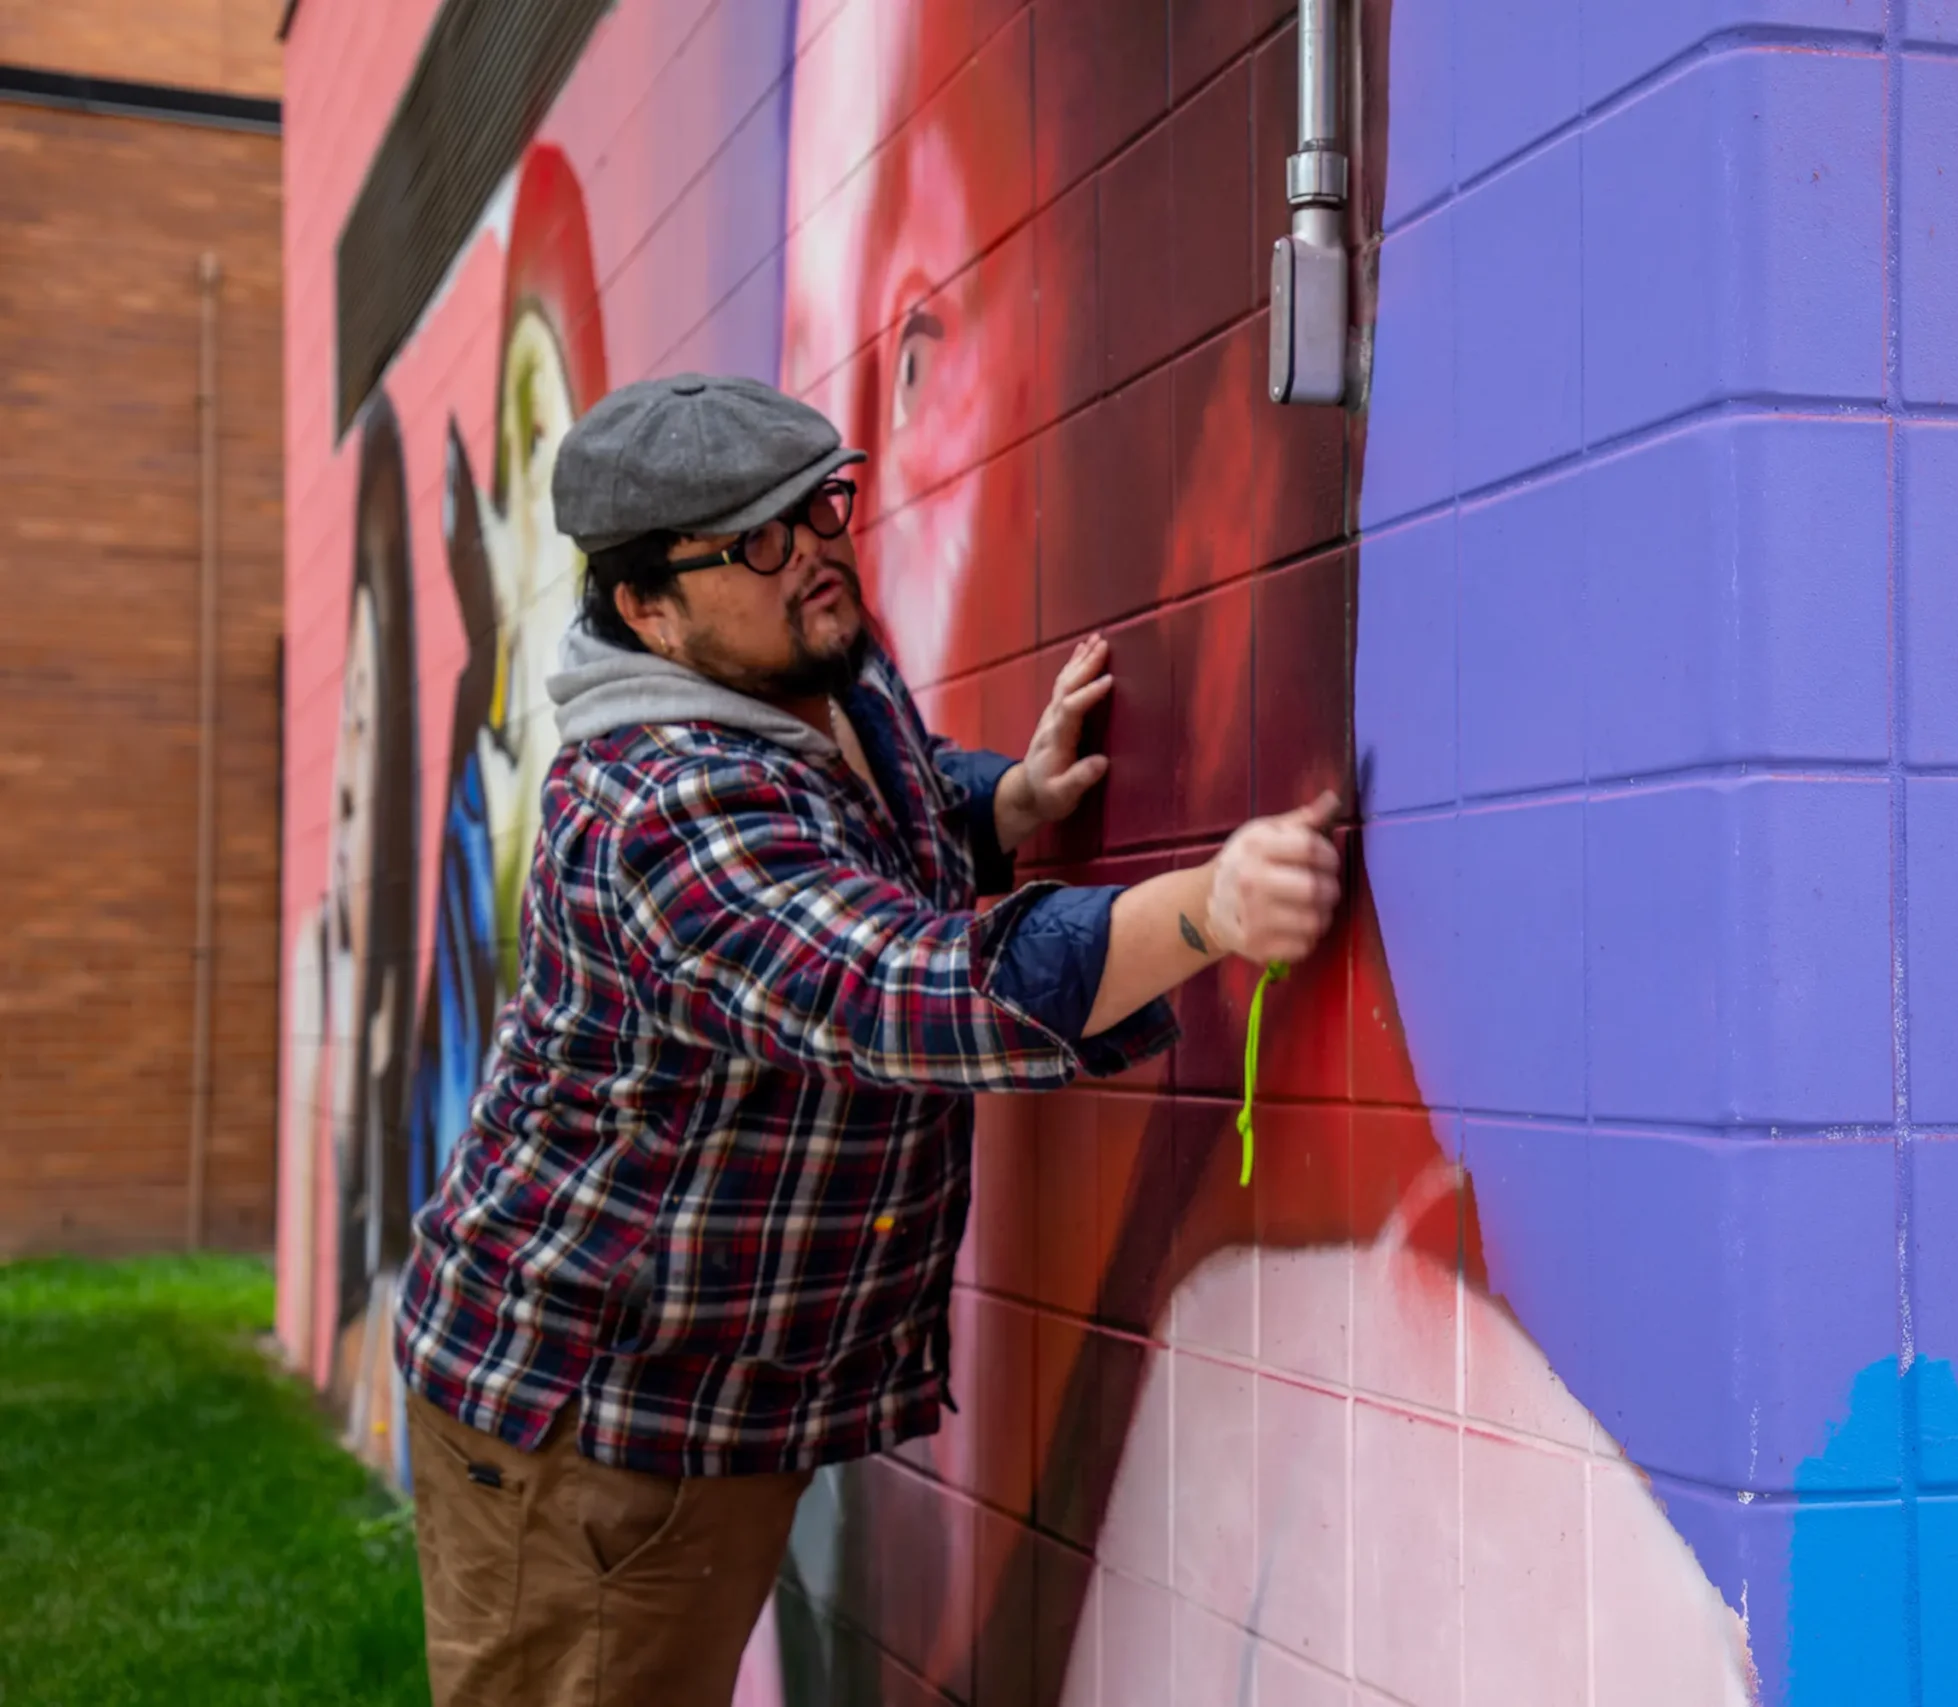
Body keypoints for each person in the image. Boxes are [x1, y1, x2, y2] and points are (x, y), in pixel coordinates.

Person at [390, 370, 1344, 1707]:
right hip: (592, 1429)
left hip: (696, 1399)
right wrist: (1208, 909)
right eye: (761, 540)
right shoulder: (657, 812)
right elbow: (897, 986)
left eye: (822, 506)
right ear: (647, 607)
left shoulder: (806, 651)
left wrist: (1004, 800)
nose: (818, 555)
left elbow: (867, 802)